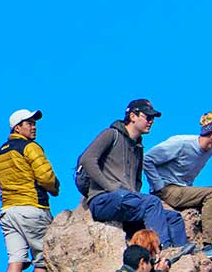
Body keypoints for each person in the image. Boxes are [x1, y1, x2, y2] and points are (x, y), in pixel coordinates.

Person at [78, 99, 188, 248]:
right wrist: (111, 188)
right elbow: (87, 159)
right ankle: (163, 249)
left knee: (173, 218)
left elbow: (137, 182)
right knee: (152, 203)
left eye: (153, 118)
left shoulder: (138, 147)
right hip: (103, 200)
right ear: (133, 116)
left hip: (126, 202)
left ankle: (180, 256)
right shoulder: (111, 134)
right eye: (148, 117)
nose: (151, 121)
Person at [142, 110, 212, 257]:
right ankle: (208, 245)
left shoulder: (210, 150)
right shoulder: (181, 143)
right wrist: (158, 185)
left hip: (183, 189)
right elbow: (147, 159)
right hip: (167, 189)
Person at [0, 107, 60, 272]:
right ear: (17, 128)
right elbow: (45, 176)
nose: (33, 127)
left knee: (15, 260)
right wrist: (54, 187)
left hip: (8, 211)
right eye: (29, 123)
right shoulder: (30, 147)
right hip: (32, 208)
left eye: (34, 123)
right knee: (44, 258)